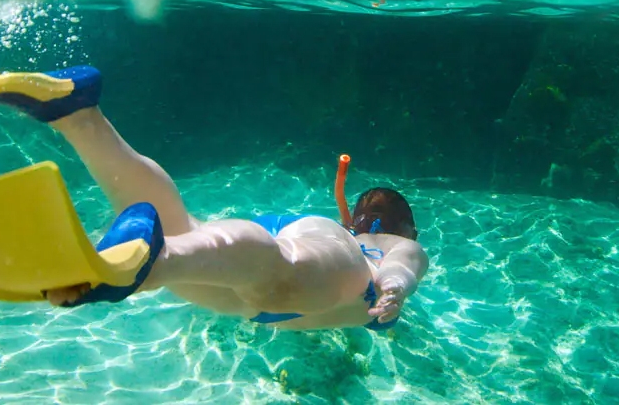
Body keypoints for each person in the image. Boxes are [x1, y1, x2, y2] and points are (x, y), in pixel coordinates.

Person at [40, 69, 429, 332]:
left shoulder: (347, 240)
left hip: (267, 267)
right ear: (405, 228)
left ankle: (79, 117)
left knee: (182, 236)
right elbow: (403, 265)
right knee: (275, 273)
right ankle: (150, 260)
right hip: (321, 258)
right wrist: (393, 286)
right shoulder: (386, 245)